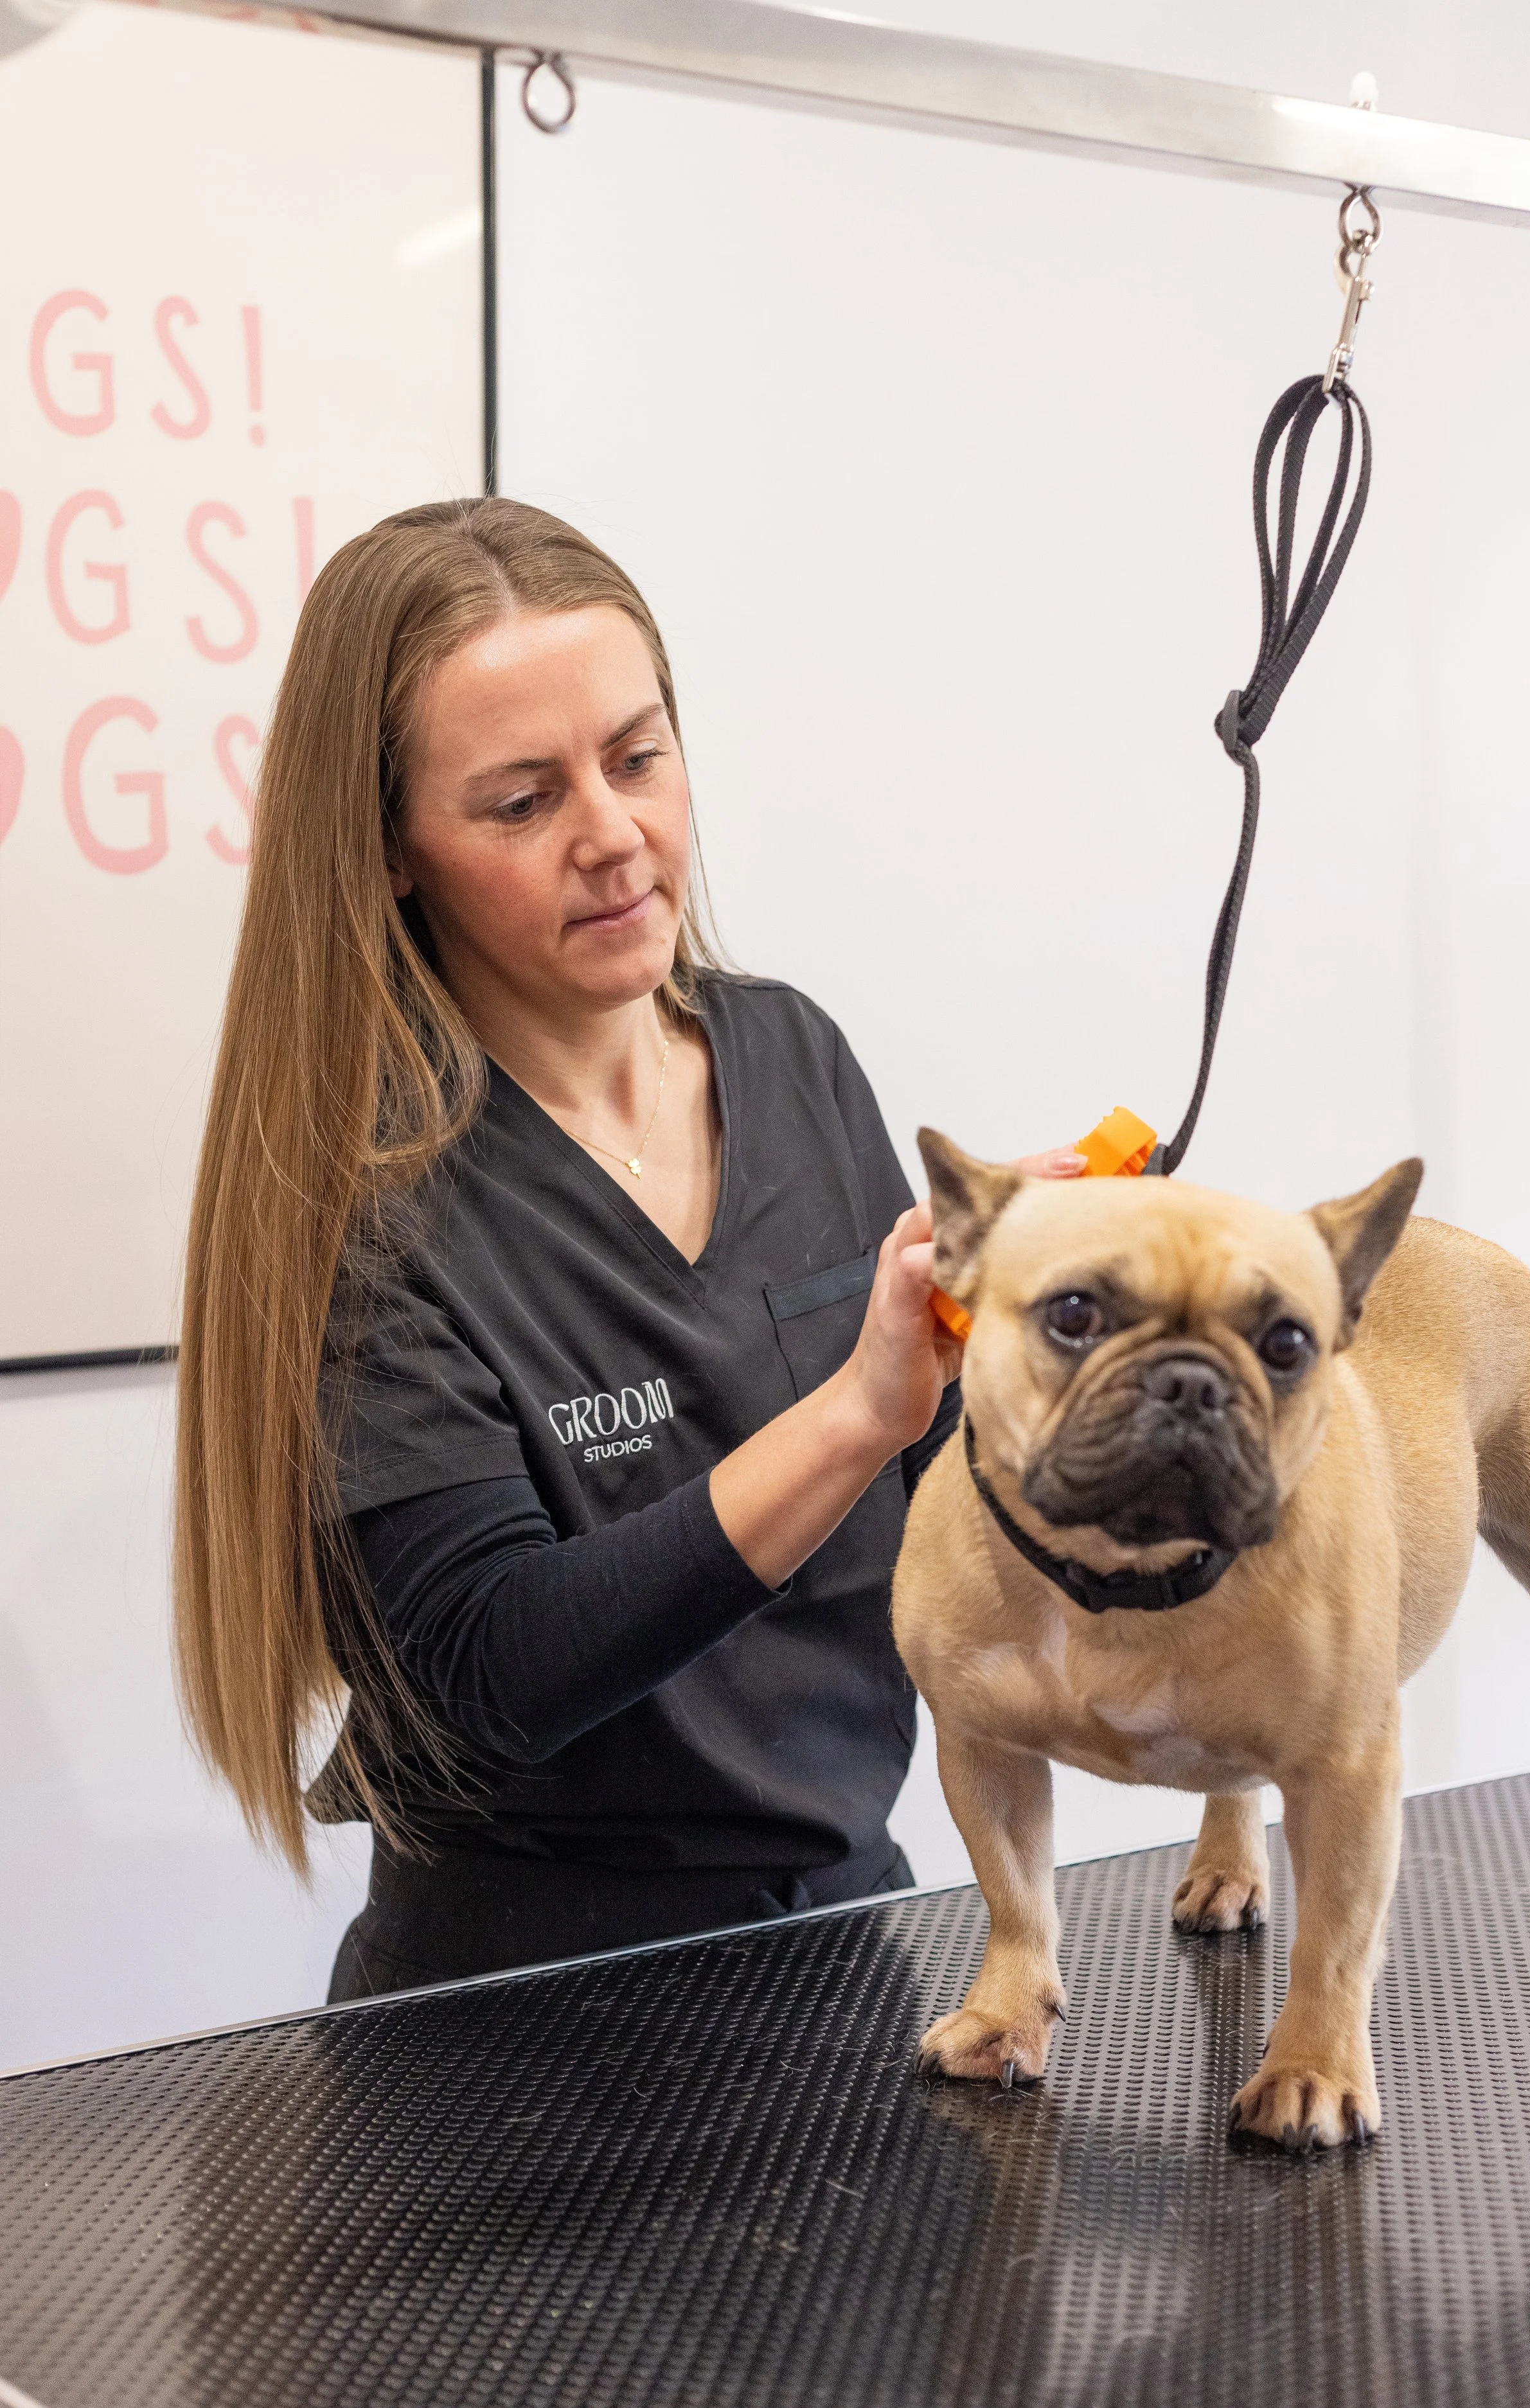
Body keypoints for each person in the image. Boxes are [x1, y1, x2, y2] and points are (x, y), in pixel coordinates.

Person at [173, 497, 1083, 1999]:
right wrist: (858, 1409)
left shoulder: (791, 1056)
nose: (612, 834)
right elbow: (495, 1672)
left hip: (845, 1941)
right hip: (517, 2022)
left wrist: (1100, 1378)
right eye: (520, 801)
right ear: (392, 849)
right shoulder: (367, 1203)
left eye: (636, 756)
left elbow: (940, 1511)